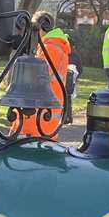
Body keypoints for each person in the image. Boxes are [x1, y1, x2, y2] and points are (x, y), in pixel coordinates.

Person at [17, 10, 71, 138]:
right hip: (47, 108)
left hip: (40, 110)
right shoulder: (54, 46)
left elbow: (36, 79)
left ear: (39, 28)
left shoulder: (49, 48)